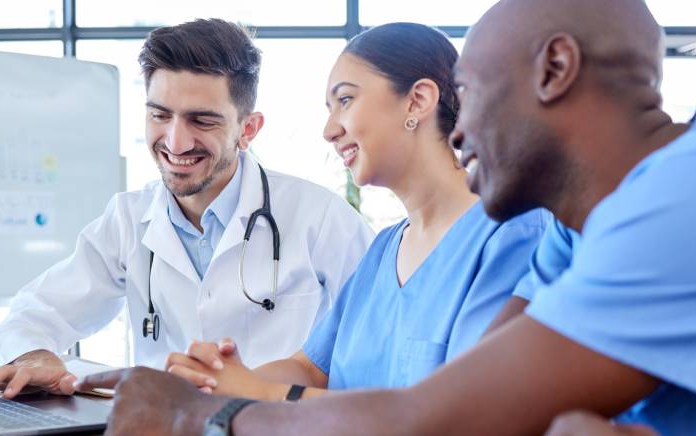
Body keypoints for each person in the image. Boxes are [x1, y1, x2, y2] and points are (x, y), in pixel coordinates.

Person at [77, 0, 696, 436]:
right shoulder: (576, 231)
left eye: (471, 90)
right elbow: (481, 429)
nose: (457, 129)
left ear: (554, 69)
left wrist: (190, 416)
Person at [0, 19, 373, 399]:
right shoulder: (128, 219)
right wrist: (33, 354)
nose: (176, 142)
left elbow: (376, 352)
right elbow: (35, 313)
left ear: (247, 129)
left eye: (202, 121)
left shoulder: (321, 219)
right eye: (160, 115)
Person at [164, 23, 547, 401]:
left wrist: (259, 392)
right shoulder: (384, 250)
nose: (329, 130)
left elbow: (449, 416)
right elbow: (311, 369)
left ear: (417, 100)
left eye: (345, 100)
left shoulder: (511, 234)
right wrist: (218, 380)